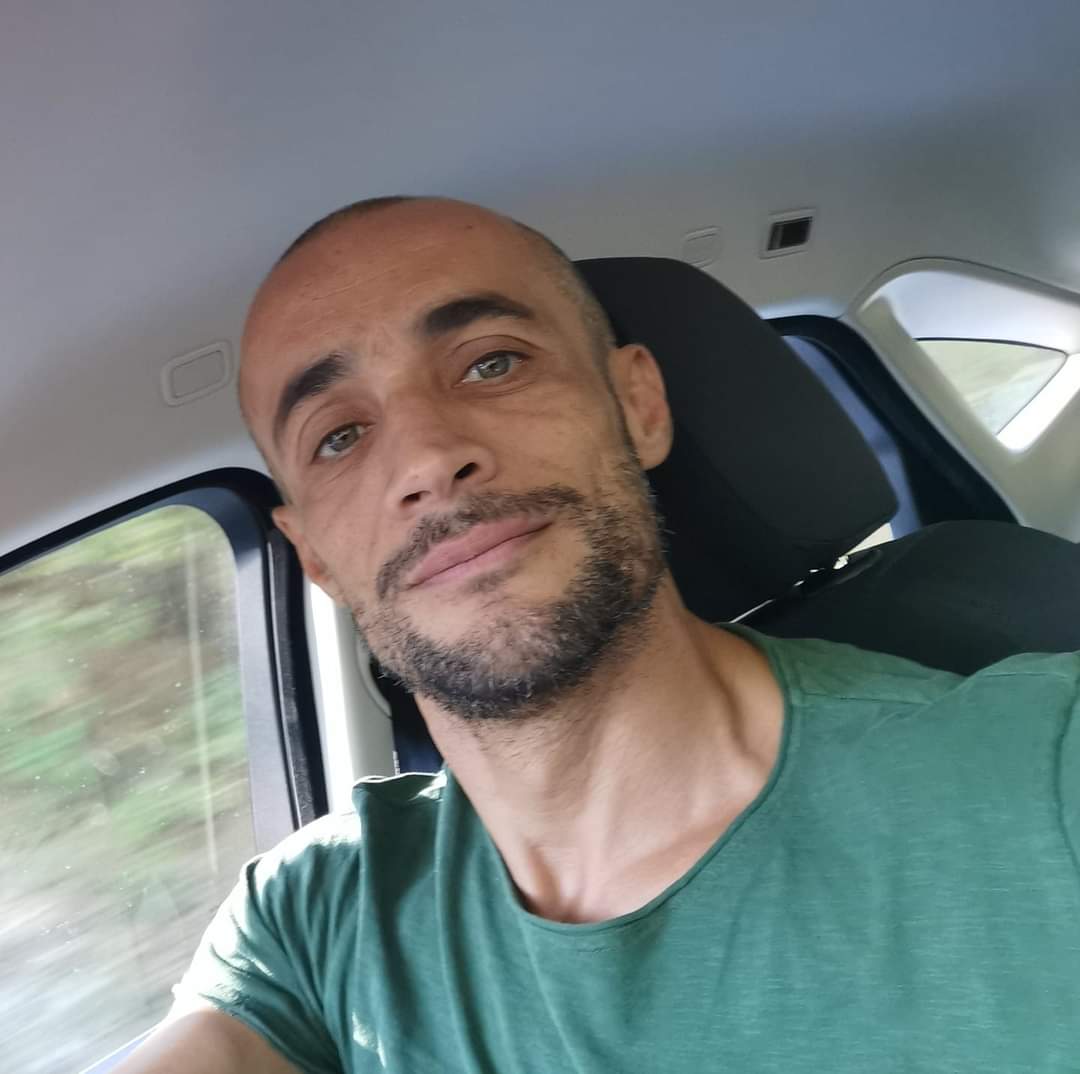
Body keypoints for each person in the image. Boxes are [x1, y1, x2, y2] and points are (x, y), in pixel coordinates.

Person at [118, 197, 1080, 1073]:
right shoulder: (310, 922)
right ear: (313, 556)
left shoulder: (1039, 767)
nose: (427, 459)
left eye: (492, 363)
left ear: (638, 405)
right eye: (337, 437)